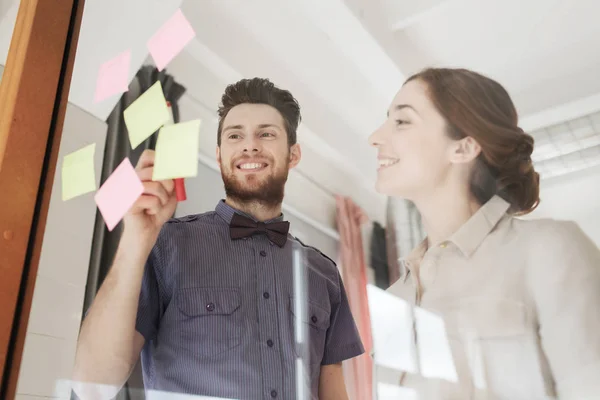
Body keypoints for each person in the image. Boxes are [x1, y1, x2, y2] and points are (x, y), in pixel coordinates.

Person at [73, 78, 364, 400]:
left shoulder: (323, 273)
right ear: (219, 153)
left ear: (293, 154)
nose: (249, 145)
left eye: (266, 134)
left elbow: (333, 388)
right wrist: (135, 240)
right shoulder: (164, 246)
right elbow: (89, 384)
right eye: (235, 135)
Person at [369, 67, 600, 399]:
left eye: (401, 121)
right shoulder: (394, 298)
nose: (375, 137)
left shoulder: (549, 249)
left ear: (463, 148)